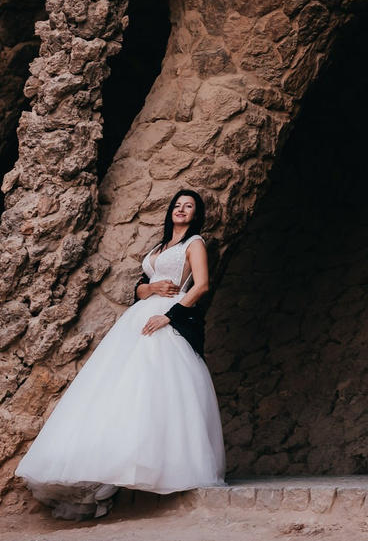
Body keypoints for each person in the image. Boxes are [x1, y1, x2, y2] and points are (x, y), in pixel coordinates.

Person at [16, 188, 225, 517]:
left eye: (189, 207)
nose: (182, 210)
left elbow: (201, 285)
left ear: (196, 215)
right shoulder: (160, 247)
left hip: (167, 318)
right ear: (170, 211)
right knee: (120, 388)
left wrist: (169, 316)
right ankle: (104, 469)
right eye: (178, 205)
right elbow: (141, 287)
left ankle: (159, 467)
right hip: (139, 317)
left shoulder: (194, 244)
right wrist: (152, 288)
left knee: (157, 388)